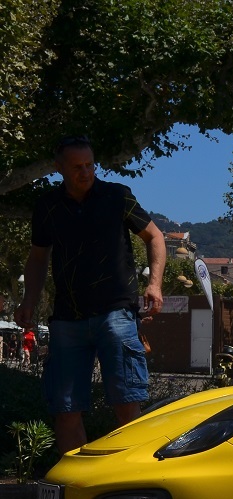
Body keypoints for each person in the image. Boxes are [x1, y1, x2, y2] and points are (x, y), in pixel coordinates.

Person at [16, 136, 166, 454]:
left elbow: (154, 236)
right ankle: (76, 483)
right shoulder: (47, 207)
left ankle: (126, 484)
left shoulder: (117, 196)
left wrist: (154, 284)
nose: (86, 172)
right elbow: (38, 257)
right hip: (67, 319)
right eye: (77, 167)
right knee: (65, 408)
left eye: (90, 165)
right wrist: (28, 300)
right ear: (59, 169)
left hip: (117, 314)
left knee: (127, 404)